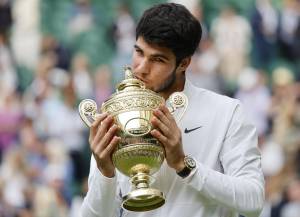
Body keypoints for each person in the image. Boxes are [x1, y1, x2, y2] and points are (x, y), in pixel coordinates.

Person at [80, 3, 265, 217]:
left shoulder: (227, 112)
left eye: (157, 59)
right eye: (139, 52)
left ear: (183, 63)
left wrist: (184, 166)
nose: (140, 68)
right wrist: (105, 173)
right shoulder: (115, 115)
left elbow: (253, 200)